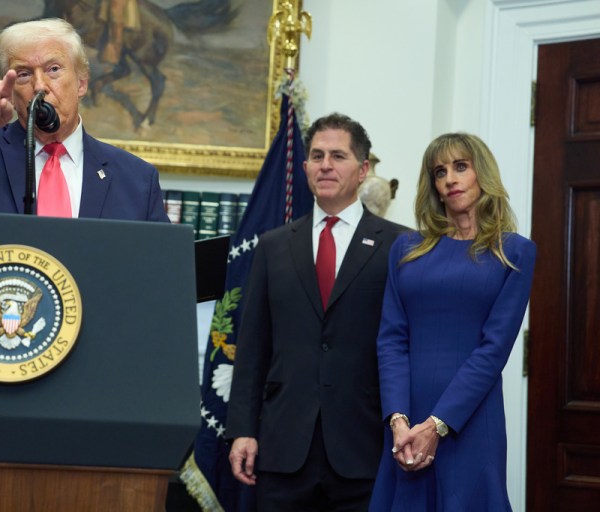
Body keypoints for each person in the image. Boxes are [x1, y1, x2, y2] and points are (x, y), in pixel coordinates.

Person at [227, 113, 407, 511]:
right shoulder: (273, 246)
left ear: (362, 171)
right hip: (282, 450)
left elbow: (406, 345)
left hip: (364, 449)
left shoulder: (399, 246)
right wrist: (242, 430)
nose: (326, 164)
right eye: (317, 155)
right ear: (305, 167)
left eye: (338, 156)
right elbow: (252, 345)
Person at [369, 133, 536, 511]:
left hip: (470, 420)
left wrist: (438, 424)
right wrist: (398, 420)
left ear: (483, 175)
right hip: (405, 420)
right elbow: (391, 339)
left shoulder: (515, 252)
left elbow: (494, 350)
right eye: (439, 172)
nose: (450, 179)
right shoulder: (406, 249)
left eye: (461, 167)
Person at [0, 18, 167, 222]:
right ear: (9, 89)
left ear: (82, 83)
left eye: (53, 69)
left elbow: (160, 272)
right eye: (23, 74)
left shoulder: (136, 179)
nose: (40, 86)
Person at [97, 0, 140, 65]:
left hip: (120, 8)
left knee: (117, 31)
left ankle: (114, 57)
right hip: (116, 7)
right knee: (112, 30)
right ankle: (111, 56)